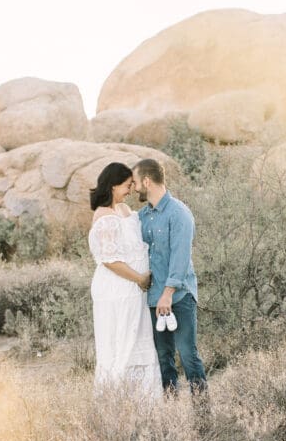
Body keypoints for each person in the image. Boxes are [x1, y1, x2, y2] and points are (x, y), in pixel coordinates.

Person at [131, 158, 208, 396]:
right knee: (163, 358)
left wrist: (168, 293)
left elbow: (180, 257)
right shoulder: (142, 217)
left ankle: (203, 412)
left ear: (146, 181)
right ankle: (171, 410)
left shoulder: (179, 213)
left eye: (135, 182)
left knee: (187, 354)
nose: (134, 188)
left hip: (179, 296)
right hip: (154, 298)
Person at [88, 162, 162, 398]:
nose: (131, 190)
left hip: (133, 290)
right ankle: (118, 400)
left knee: (137, 339)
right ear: (113, 185)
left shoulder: (123, 210)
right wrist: (139, 278)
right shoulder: (105, 217)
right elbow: (110, 260)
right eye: (128, 185)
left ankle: (143, 401)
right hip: (117, 290)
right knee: (121, 342)